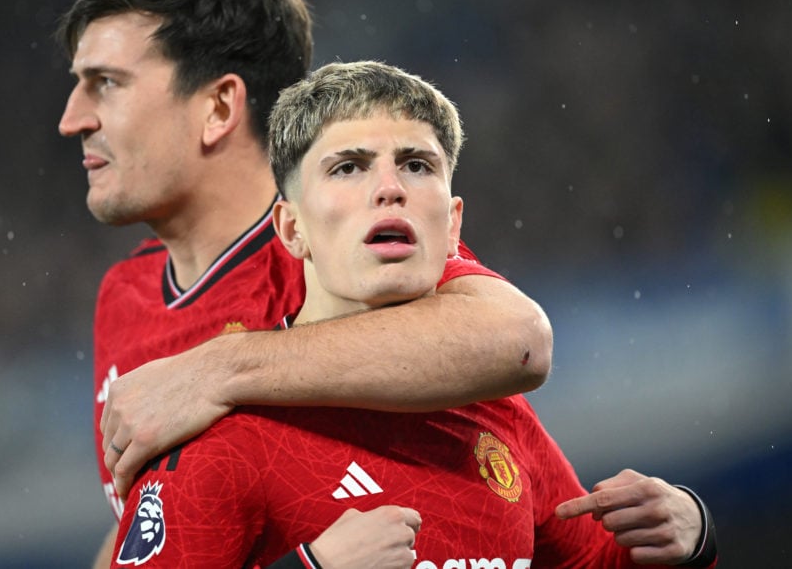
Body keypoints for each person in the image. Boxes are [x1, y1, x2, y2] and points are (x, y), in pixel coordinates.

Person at [56, 0, 553, 568]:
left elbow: (515, 338)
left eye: (105, 84)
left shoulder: (334, 250)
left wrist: (219, 367)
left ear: (218, 107)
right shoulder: (122, 297)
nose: (73, 118)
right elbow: (151, 531)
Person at [106, 60, 718, 568]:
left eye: (416, 164)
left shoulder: (497, 411)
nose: (389, 187)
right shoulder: (220, 441)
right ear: (292, 229)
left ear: (452, 226)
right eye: (348, 167)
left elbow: (592, 562)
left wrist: (689, 535)